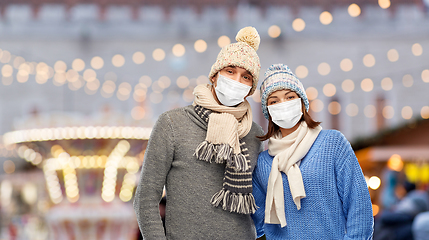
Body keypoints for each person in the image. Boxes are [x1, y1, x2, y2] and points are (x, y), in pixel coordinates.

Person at [134, 26, 264, 239]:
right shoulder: (172, 124)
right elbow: (146, 198)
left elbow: (262, 203)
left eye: (246, 77)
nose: (236, 81)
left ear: (250, 89)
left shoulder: (254, 133)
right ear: (214, 76)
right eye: (230, 71)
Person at [251, 63, 374, 239]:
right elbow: (255, 223)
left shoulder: (333, 143)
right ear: (268, 111)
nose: (283, 104)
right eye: (274, 101)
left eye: (290, 97)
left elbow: (359, 208)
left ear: (302, 102)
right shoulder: (263, 162)